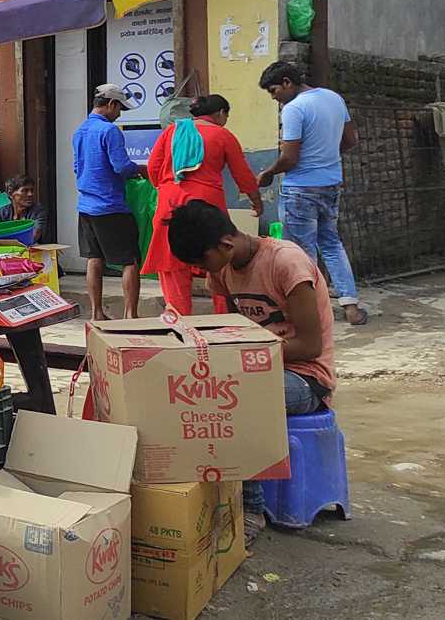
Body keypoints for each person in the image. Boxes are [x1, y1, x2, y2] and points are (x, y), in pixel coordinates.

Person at [167, 200, 334, 546]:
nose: (201, 271)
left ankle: (251, 508)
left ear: (225, 245)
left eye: (201, 261)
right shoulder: (222, 271)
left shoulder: (287, 264)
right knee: (186, 391)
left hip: (306, 377)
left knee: (234, 399)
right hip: (255, 370)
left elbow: (310, 345)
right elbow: (233, 330)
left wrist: (243, 359)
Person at [256, 62, 367, 325]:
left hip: (300, 188)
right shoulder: (333, 98)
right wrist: (326, 156)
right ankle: (350, 305)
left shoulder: (293, 109)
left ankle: (312, 311)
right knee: (331, 243)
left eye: (274, 91)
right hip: (330, 184)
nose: (274, 98)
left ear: (287, 82)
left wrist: (269, 173)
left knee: (301, 251)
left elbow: (290, 158)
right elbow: (351, 141)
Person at [144, 95, 265, 315]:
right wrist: (256, 202)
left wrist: (166, 188)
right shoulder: (223, 135)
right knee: (219, 262)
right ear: (220, 113)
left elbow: (153, 167)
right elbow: (243, 174)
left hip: (170, 202)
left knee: (173, 266)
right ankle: (222, 321)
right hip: (208, 205)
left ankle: (179, 325)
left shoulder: (171, 131)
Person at [72, 83, 144, 320]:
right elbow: (121, 167)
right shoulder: (110, 131)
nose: (120, 114)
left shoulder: (80, 130)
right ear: (111, 104)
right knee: (130, 260)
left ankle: (96, 313)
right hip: (111, 206)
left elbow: (77, 167)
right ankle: (130, 315)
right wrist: (142, 169)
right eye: (120, 108)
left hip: (86, 207)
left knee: (94, 258)